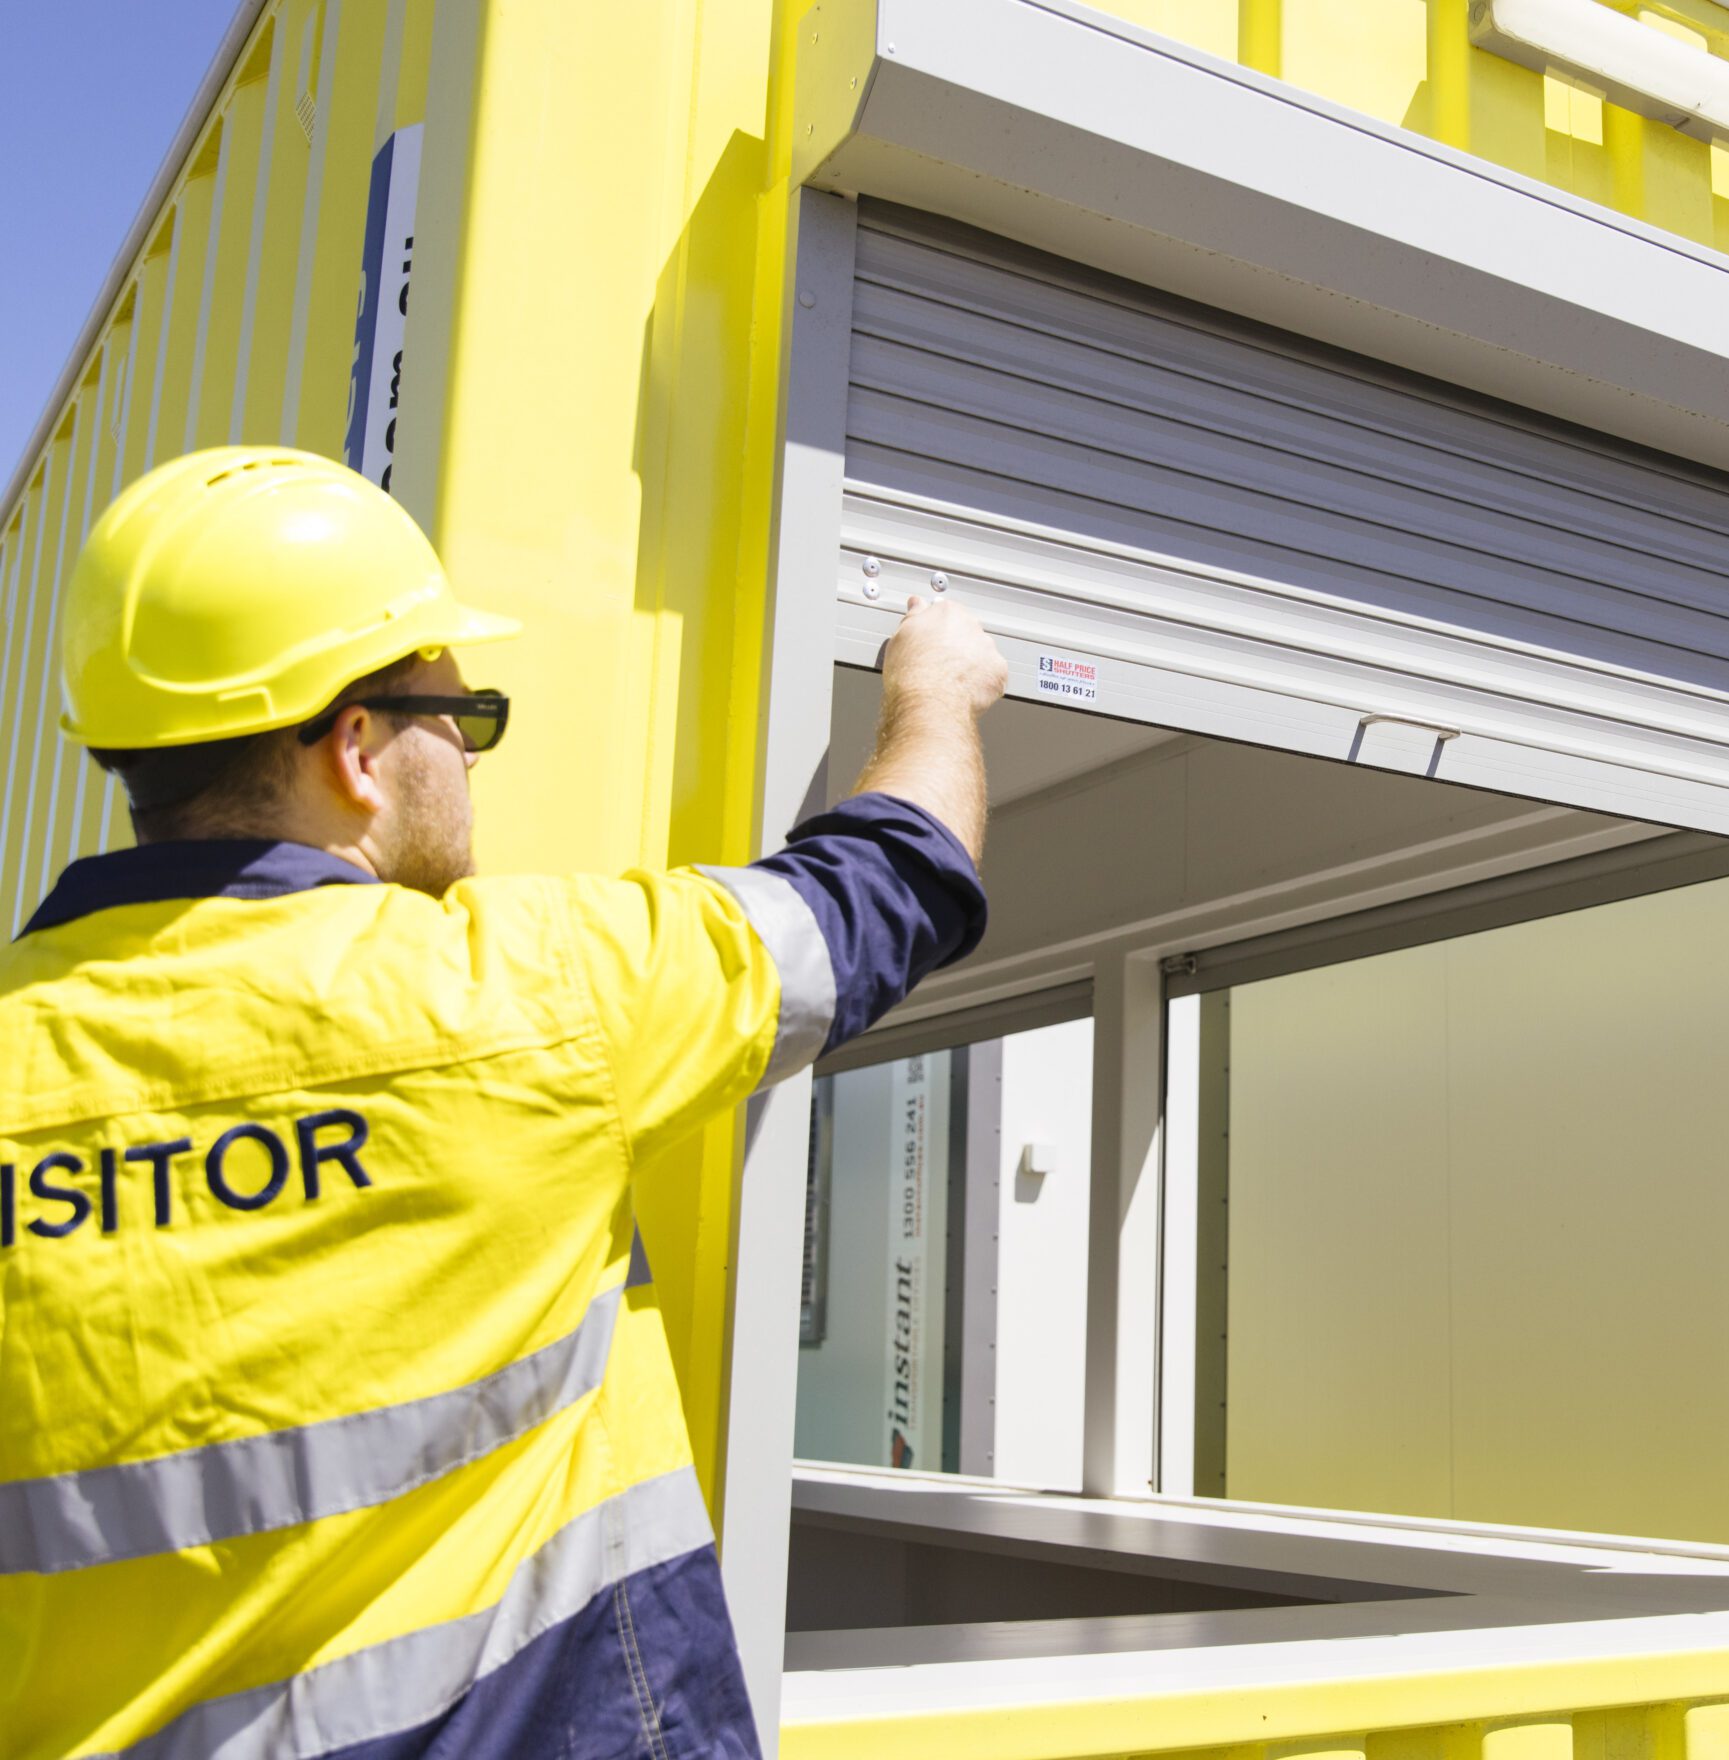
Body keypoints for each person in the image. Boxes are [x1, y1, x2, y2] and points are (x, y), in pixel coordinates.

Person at [0, 446, 1008, 1759]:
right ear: (354, 749)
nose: (470, 760)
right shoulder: (521, 997)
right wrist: (937, 694)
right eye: (459, 718)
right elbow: (891, 881)